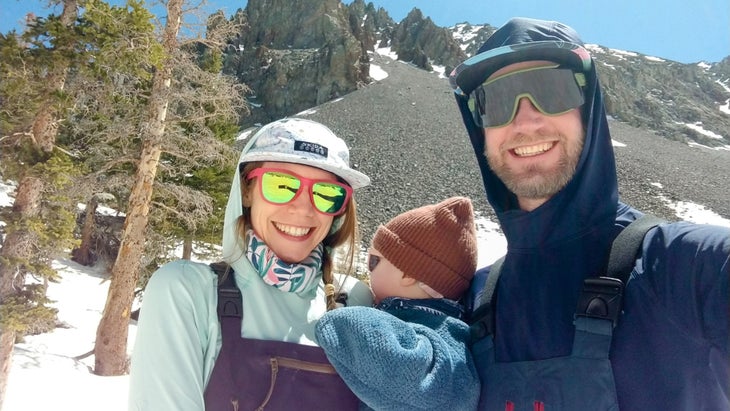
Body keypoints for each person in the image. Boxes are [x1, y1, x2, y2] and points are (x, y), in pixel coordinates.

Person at [449, 17, 730, 410]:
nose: (526, 120)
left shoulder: (678, 267)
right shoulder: (476, 299)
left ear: (589, 107)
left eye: (552, 89)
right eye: (496, 100)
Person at [128, 117, 373, 411]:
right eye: (281, 185)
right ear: (246, 190)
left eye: (327, 194)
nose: (304, 208)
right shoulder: (188, 293)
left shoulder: (356, 303)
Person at [314, 196, 481, 411]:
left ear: (408, 275)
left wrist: (337, 321)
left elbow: (409, 372)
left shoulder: (443, 335)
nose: (368, 269)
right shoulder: (439, 323)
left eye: (373, 261)